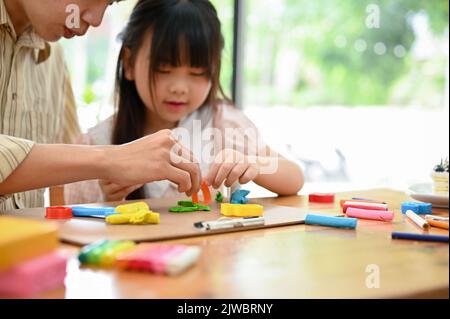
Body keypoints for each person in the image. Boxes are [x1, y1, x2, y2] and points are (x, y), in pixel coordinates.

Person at [64, 0, 304, 204]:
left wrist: (253, 164)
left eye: (197, 72)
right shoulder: (98, 145)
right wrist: (109, 200)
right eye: (164, 68)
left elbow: (294, 178)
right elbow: (70, 222)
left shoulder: (224, 125)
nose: (179, 87)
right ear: (129, 63)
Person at [0, 0, 201, 212]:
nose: (96, 20)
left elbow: (66, 170)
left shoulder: (52, 60)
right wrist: (111, 160)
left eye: (110, 3)